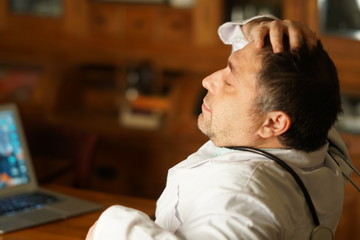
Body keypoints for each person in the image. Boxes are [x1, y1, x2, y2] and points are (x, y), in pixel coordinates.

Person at [86, 16, 352, 240]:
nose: (208, 81)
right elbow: (260, 75)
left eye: (230, 81)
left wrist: (114, 227)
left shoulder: (239, 196)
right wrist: (261, 27)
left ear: (273, 123)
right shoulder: (314, 138)